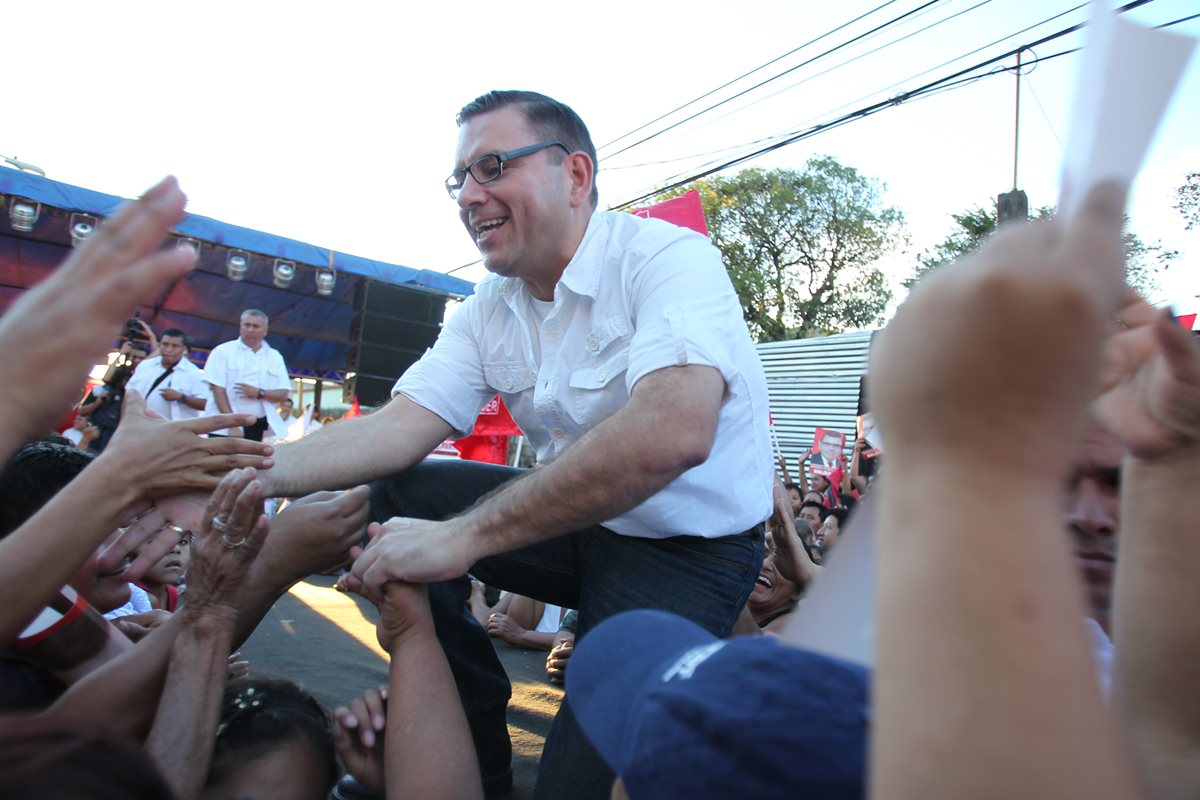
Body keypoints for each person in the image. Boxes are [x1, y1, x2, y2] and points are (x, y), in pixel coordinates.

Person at [262, 89, 773, 799]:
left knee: (578, 785)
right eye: (459, 179)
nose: (469, 196)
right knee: (394, 494)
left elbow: (673, 430)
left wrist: (461, 537)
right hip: (581, 524)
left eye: (492, 166)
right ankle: (472, 761)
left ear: (576, 175)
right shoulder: (488, 306)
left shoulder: (667, 259)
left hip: (688, 550)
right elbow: (398, 426)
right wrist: (240, 471)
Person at [205, 310, 291, 442]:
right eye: (247, 325)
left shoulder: (274, 356)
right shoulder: (223, 351)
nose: (250, 330)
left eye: (255, 326)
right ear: (240, 326)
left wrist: (259, 393)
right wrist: (232, 424)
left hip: (256, 425)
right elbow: (218, 390)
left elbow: (283, 393)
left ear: (265, 330)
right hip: (224, 426)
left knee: (251, 456)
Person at [126, 327, 210, 421]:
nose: (169, 349)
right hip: (137, 422)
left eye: (175, 346)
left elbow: (206, 404)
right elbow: (128, 393)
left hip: (172, 428)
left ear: (184, 349)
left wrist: (182, 397)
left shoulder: (193, 373)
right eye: (165, 344)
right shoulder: (145, 365)